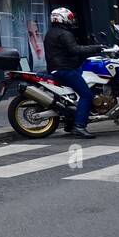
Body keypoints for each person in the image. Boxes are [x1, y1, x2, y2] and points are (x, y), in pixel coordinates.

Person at [43, 8, 100, 139]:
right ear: (62, 18)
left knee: (76, 93)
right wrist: (96, 48)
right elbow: (74, 49)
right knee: (86, 95)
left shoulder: (51, 33)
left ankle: (70, 122)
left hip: (58, 68)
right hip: (65, 69)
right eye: (69, 17)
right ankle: (79, 126)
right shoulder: (64, 34)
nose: (71, 20)